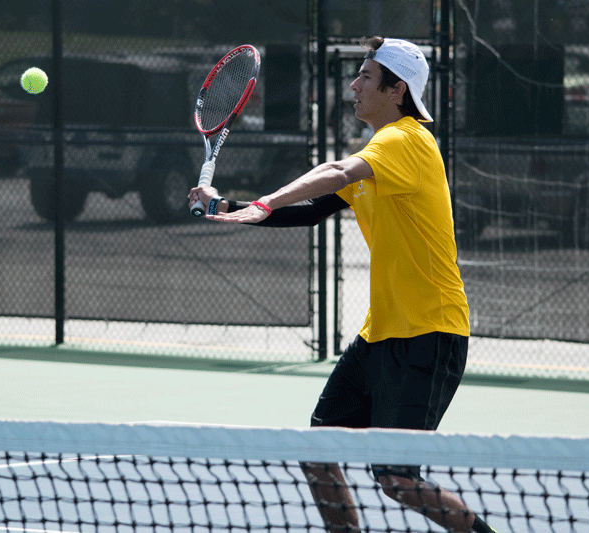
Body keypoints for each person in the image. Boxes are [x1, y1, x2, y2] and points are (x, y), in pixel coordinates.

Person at [188, 37, 495, 533]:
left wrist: (265, 200)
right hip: (381, 336)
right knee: (317, 449)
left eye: (366, 77)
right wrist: (228, 207)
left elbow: (335, 172)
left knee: (396, 478)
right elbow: (312, 211)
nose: (353, 85)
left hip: (430, 334)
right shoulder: (381, 153)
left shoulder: (408, 142)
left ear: (397, 92)